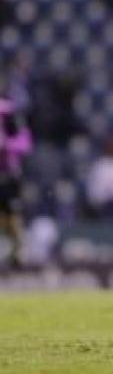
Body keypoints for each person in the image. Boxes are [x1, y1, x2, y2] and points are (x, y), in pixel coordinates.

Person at [0, 73, 33, 269]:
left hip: (8, 176)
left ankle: (17, 256)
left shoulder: (10, 112)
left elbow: (26, 143)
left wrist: (6, 146)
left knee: (13, 218)